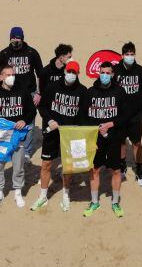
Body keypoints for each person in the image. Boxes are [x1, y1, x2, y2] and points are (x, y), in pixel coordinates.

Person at [31, 61, 87, 212]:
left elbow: (84, 115)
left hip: (69, 135)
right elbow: (42, 106)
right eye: (69, 71)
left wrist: (78, 130)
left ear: (78, 74)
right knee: (46, 164)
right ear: (65, 71)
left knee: (67, 167)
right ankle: (43, 196)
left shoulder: (82, 91)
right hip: (52, 132)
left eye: (74, 72)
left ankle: (66, 195)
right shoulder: (53, 87)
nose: (71, 74)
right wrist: (49, 120)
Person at [0, 65, 37, 209]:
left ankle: (17, 191)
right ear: (1, 77)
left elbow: (31, 111)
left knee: (18, 166)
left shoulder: (23, 92)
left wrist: (24, 120)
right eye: (7, 75)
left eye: (13, 74)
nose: (11, 77)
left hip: (18, 135)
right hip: (0, 137)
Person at [81, 62, 129, 218]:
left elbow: (125, 115)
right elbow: (84, 117)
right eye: (102, 72)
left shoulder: (120, 92)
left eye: (108, 73)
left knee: (116, 170)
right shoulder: (90, 92)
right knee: (94, 170)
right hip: (95, 139)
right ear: (98, 73)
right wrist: (95, 130)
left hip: (114, 138)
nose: (105, 75)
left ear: (113, 74)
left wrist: (110, 124)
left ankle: (115, 202)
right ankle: (94, 201)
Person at [0, 27, 43, 163]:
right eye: (13, 38)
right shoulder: (4, 54)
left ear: (22, 38)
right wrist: (0, 92)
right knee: (10, 121)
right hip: (10, 93)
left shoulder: (31, 53)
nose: (15, 40)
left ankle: (26, 151)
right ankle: (9, 148)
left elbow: (40, 75)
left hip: (30, 92)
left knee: (29, 123)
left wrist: (39, 93)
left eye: (18, 38)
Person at [114, 42, 142, 186]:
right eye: (127, 54)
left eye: (132, 54)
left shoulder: (141, 71)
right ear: (122, 55)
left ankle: (139, 169)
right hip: (120, 115)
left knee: (137, 143)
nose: (130, 56)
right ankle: (122, 165)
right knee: (121, 142)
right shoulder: (115, 70)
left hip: (136, 115)